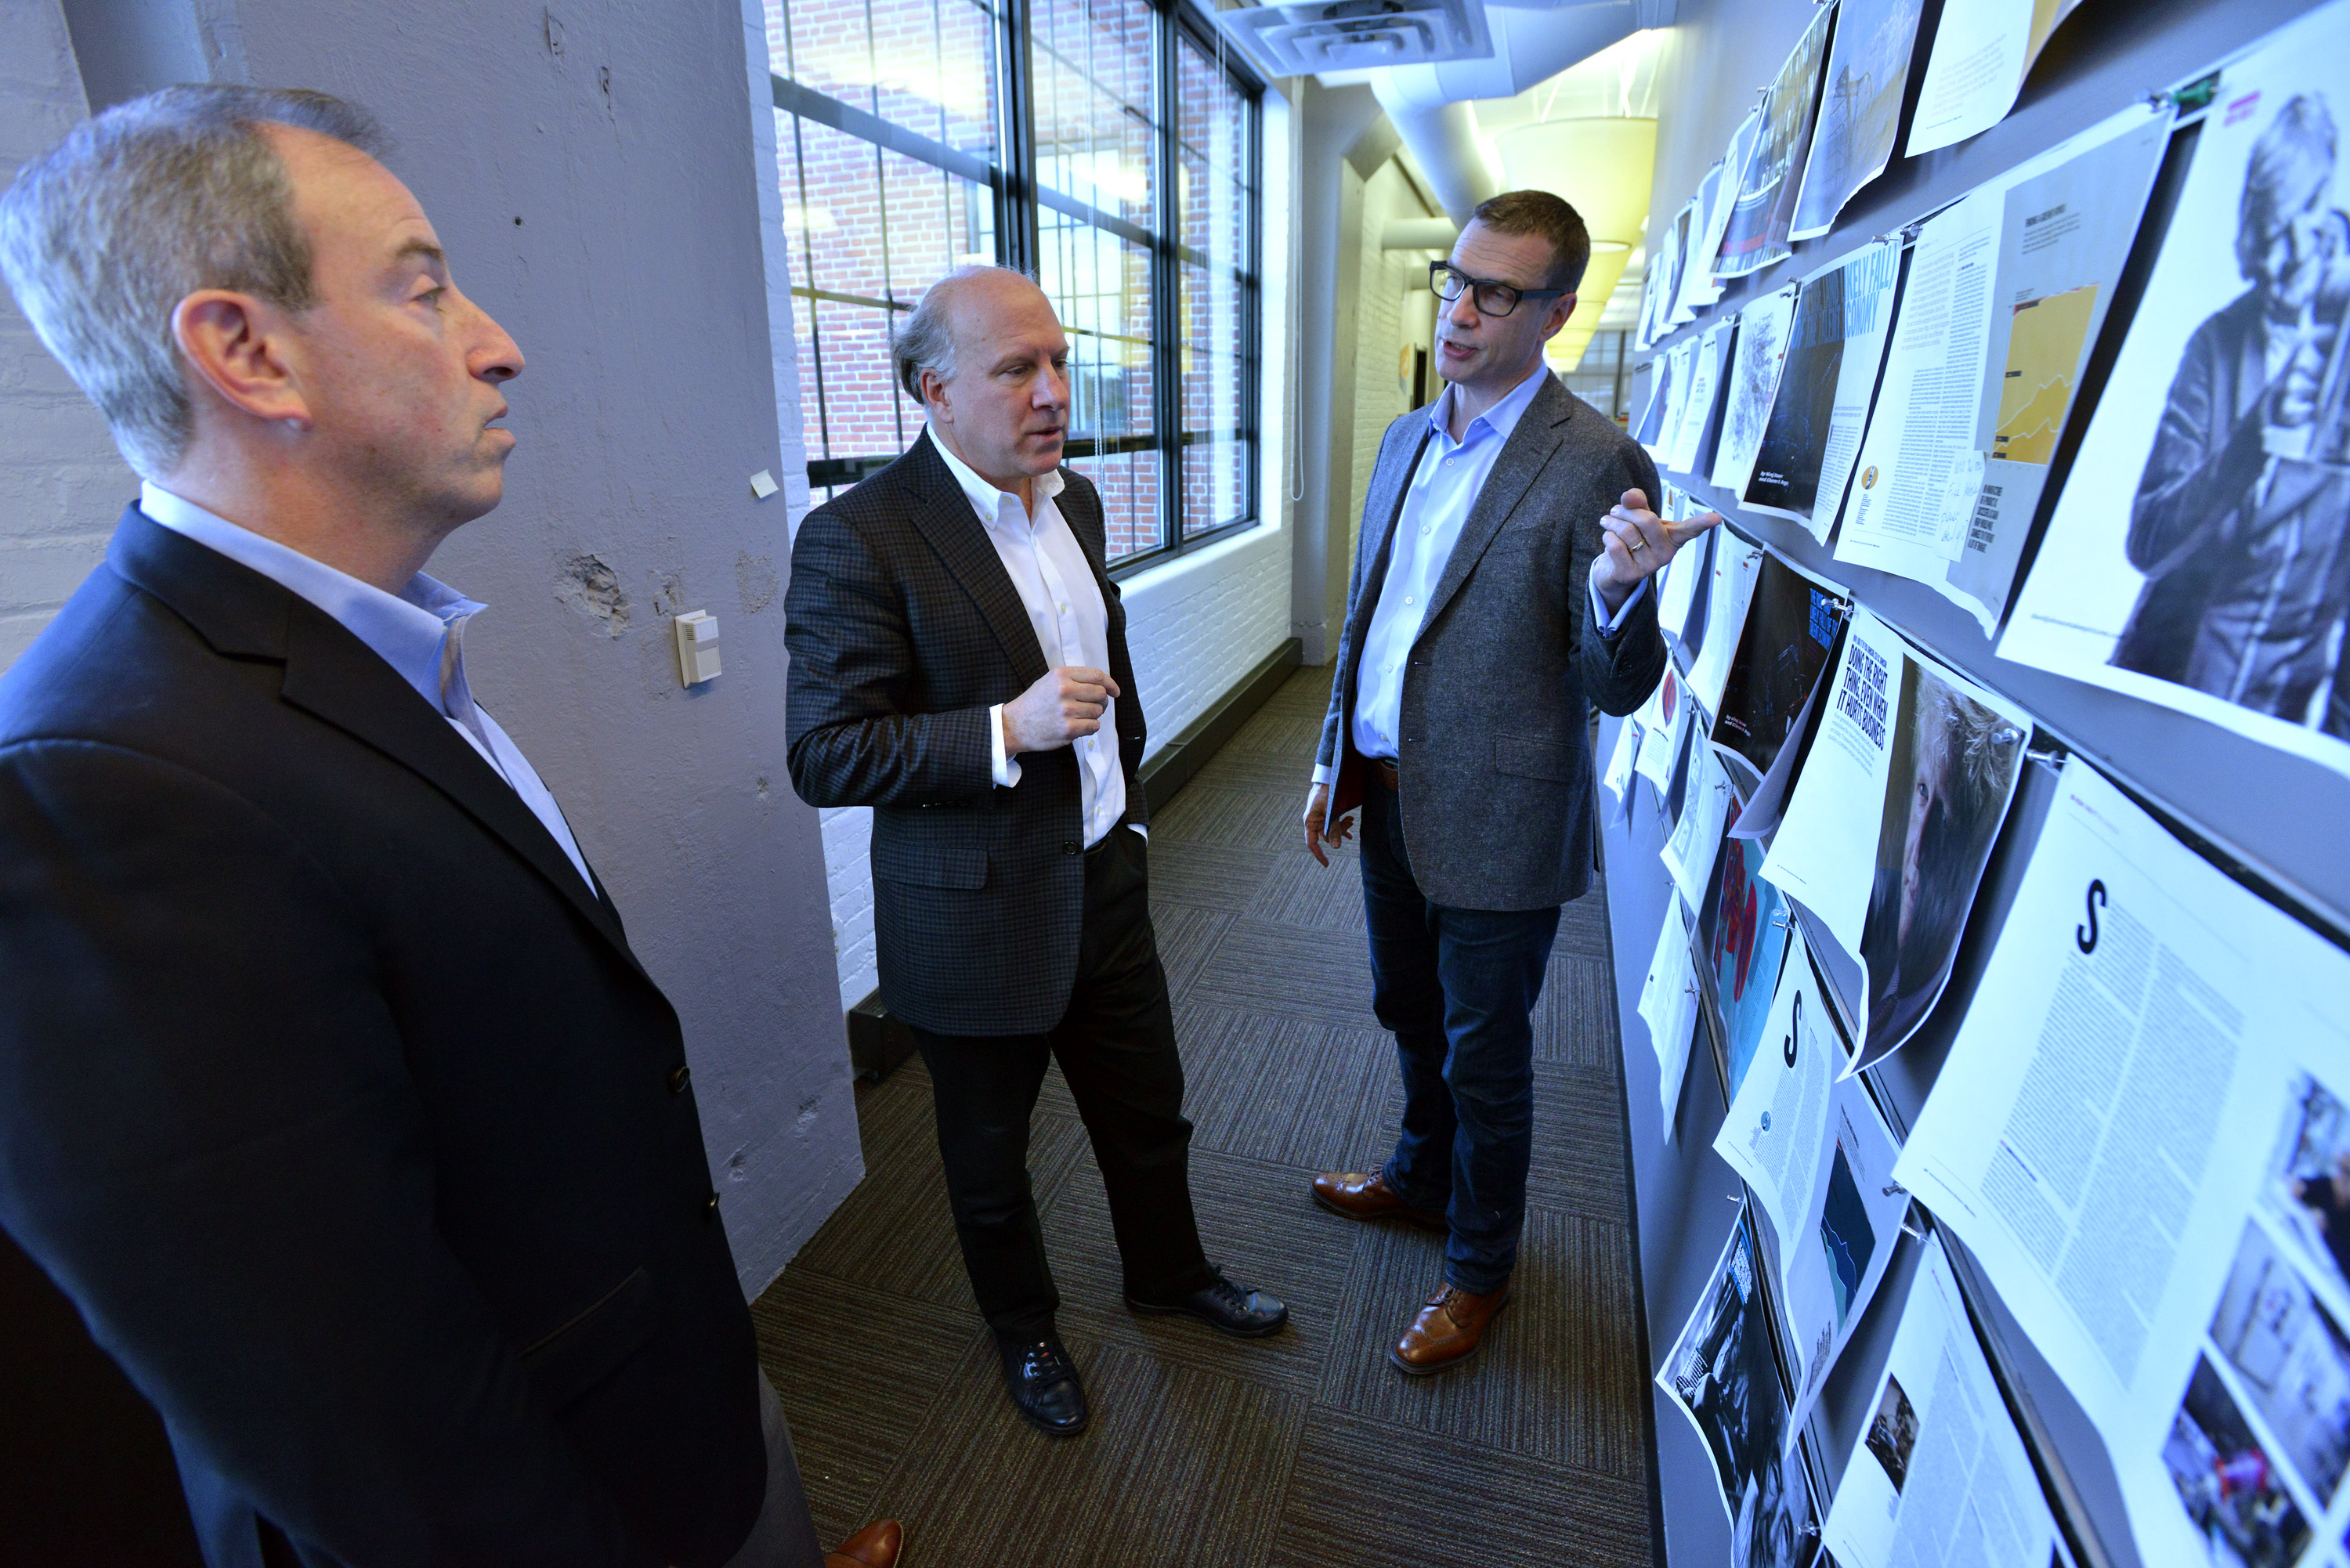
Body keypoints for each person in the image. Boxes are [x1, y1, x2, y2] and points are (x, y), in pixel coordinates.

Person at [0, 87, 898, 1568]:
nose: (499, 340)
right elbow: (353, 1420)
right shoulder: (95, 788)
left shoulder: (372, 650)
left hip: (666, 1409)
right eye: (424, 290)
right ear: (245, 351)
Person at [783, 266, 1285, 1438]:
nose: (1054, 391)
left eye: (1057, 362)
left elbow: (1109, 676)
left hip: (1105, 874)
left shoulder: (1081, 502)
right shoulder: (859, 537)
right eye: (1019, 369)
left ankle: (1169, 1271)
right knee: (992, 1164)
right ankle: (1028, 1333)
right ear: (933, 389)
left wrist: (1137, 817)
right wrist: (1005, 728)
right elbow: (826, 753)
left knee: (1148, 1113)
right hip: (975, 912)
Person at [1300, 189, 1719, 1375]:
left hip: (1503, 811)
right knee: (1406, 1010)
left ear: (1558, 310)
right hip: (1384, 792)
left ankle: (1480, 1265)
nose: (1462, 310)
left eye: (1497, 291)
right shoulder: (1405, 437)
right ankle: (1420, 1175)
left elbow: (1616, 683)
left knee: (1487, 1050)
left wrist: (1623, 594)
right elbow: (1371, 620)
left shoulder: (1594, 457)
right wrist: (1335, 757)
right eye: (1454, 279)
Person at [2114, 92, 2350, 722]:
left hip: (2269, 718)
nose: (2274, 267)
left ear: (2324, 203)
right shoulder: (2216, 344)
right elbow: (2147, 539)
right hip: (2156, 688)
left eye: (2294, 228)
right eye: (2264, 235)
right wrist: (2252, 441)